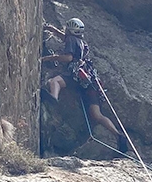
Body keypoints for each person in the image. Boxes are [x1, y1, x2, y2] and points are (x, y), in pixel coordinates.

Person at [41, 17, 129, 154]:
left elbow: (68, 58)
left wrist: (48, 58)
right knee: (97, 115)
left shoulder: (71, 40)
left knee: (55, 82)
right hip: (90, 82)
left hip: (75, 76)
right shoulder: (82, 42)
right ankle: (118, 135)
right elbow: (65, 38)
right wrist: (52, 29)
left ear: (69, 29)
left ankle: (53, 97)